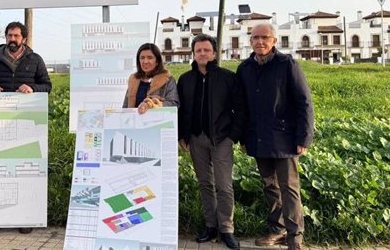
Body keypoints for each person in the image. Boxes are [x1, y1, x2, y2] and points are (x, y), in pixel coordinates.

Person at [236, 24, 314, 250]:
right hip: (258, 138)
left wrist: (304, 137)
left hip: (285, 139)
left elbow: (304, 103)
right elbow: (242, 107)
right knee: (270, 186)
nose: (260, 41)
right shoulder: (245, 68)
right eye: (255, 37)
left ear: (274, 40)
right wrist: (243, 137)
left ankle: (295, 238)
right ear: (250, 41)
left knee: (289, 188)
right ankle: (277, 230)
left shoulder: (287, 64)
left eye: (264, 37)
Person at [0, 21, 52, 236]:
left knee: (23, 172)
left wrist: (33, 88)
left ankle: (23, 217)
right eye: (9, 35)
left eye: (16, 36)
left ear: (24, 39)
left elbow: (47, 86)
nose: (12, 39)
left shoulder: (35, 60)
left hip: (25, 123)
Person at [177, 34, 246, 249]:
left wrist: (233, 136)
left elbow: (241, 109)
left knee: (224, 185)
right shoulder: (186, 80)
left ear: (214, 53)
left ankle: (226, 229)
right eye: (199, 50)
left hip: (222, 138)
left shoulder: (227, 77)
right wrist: (182, 135)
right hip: (196, 139)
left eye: (207, 50)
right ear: (193, 54)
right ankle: (210, 226)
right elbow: (182, 112)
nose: (203, 54)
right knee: (205, 183)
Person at [123, 43, 179, 113]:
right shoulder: (133, 80)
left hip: (158, 122)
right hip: (135, 122)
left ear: (157, 61)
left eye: (150, 57)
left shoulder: (167, 80)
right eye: (142, 58)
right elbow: (125, 107)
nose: (145, 61)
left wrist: (151, 104)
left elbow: (174, 104)